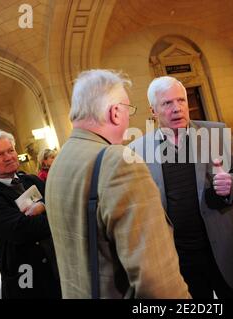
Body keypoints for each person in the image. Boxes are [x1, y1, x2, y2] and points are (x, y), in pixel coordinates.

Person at [45, 69, 190, 299]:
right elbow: (158, 283)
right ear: (115, 113)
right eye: (128, 110)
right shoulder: (118, 161)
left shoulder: (60, 161)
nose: (128, 118)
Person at [130, 76, 233, 299]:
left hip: (227, 248)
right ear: (153, 110)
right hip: (181, 261)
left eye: (181, 100)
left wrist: (232, 185)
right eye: (167, 103)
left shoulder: (215, 133)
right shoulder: (137, 150)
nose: (177, 109)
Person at [0, 129, 61, 299]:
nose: (9, 157)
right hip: (28, 280)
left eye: (11, 150)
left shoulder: (30, 180)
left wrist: (43, 208)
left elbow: (60, 203)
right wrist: (53, 211)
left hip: (59, 268)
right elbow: (23, 231)